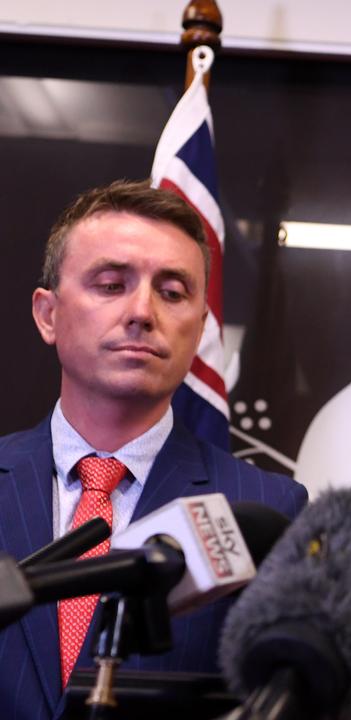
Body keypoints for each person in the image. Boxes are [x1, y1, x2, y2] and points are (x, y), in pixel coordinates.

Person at [0, 180, 308, 720]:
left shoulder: (266, 512)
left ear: (201, 329)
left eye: (172, 292)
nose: (142, 311)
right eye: (111, 284)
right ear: (47, 314)